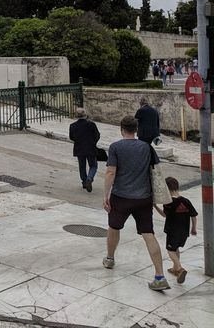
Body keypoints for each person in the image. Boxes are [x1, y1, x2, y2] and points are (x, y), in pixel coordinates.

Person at [102, 116, 169, 291]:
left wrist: (105, 195)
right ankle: (160, 276)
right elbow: (156, 170)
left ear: (121, 129)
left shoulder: (116, 147)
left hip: (121, 196)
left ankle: (110, 258)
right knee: (148, 233)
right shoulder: (147, 147)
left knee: (114, 227)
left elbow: (110, 172)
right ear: (136, 129)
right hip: (143, 198)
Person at [154, 176, 198, 284]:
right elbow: (194, 215)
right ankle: (174, 268)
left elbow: (164, 215)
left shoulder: (168, 202)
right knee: (176, 248)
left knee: (170, 250)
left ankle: (179, 268)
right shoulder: (186, 201)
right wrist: (193, 228)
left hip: (172, 231)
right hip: (184, 232)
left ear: (166, 189)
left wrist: (155, 206)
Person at [69, 108, 100, 192]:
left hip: (79, 148)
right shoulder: (91, 124)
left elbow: (71, 137)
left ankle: (84, 181)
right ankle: (89, 179)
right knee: (93, 165)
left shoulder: (72, 126)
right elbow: (97, 135)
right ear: (85, 115)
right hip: (90, 147)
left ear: (76, 116)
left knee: (82, 166)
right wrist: (93, 142)